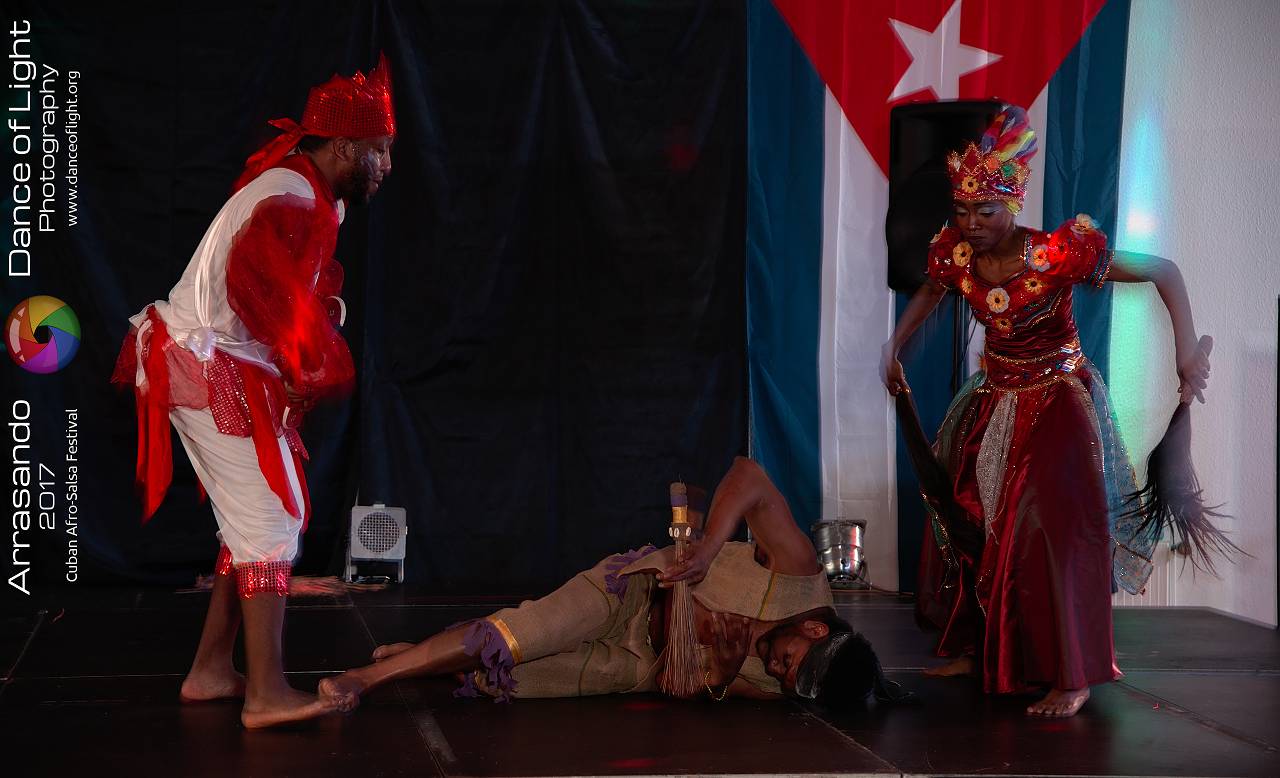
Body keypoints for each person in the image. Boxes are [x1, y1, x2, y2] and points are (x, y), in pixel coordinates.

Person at [880, 106, 1212, 718]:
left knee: (1051, 529)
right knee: (969, 514)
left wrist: (1186, 350)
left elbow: (1163, 271)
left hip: (1057, 397)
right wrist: (894, 345)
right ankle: (979, 647)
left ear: (1013, 203)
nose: (972, 223)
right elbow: (931, 288)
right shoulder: (957, 255)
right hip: (994, 395)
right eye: (962, 210)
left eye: (985, 211)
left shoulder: (1055, 253)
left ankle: (1073, 674)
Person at [111, 55, 395, 728]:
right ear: (344, 146)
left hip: (220, 357)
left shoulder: (317, 195)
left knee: (256, 518)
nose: (386, 165)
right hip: (201, 359)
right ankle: (266, 695)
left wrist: (304, 342)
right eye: (379, 150)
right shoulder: (289, 195)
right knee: (271, 519)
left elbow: (292, 289)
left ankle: (212, 670)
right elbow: (254, 288)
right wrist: (305, 360)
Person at [318, 457, 890, 709]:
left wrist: (719, 672)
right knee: (517, 636)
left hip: (636, 665)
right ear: (816, 628)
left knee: (503, 680)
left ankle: (426, 656)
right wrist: (709, 550)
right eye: (793, 663)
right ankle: (367, 679)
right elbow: (749, 476)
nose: (781, 672)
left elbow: (684, 686)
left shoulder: (780, 685)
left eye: (788, 681)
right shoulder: (798, 574)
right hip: (628, 597)